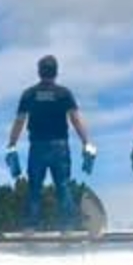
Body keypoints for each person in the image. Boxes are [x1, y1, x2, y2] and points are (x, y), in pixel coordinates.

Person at [7, 55, 94, 232]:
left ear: (39, 72)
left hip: (37, 146)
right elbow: (75, 119)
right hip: (60, 146)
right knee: (63, 185)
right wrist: (86, 142)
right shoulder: (64, 93)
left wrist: (12, 144)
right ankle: (67, 226)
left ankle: (31, 226)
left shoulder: (29, 94)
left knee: (34, 187)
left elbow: (19, 121)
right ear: (56, 72)